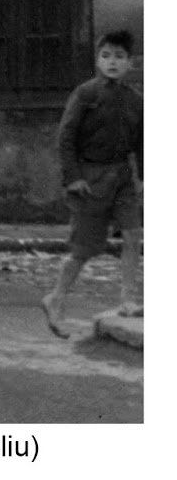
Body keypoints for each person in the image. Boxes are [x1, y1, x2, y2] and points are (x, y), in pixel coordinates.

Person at [42, 30, 143, 335]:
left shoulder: (136, 99)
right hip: (91, 179)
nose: (113, 62)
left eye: (120, 57)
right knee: (84, 248)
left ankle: (128, 299)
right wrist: (72, 178)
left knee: (133, 235)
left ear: (130, 63)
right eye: (106, 56)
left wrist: (146, 178)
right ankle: (56, 297)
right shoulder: (85, 94)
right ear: (98, 60)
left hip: (123, 178)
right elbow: (66, 138)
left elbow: (143, 142)